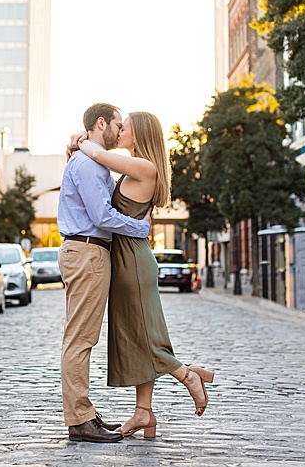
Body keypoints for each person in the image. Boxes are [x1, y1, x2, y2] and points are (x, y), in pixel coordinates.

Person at [67, 112, 213, 438]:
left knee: (145, 337)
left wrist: (82, 141)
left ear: (139, 133)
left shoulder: (144, 166)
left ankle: (189, 376)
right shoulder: (134, 166)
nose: (119, 131)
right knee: (134, 336)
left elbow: (99, 154)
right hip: (125, 261)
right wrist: (80, 141)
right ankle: (143, 412)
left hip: (132, 262)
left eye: (125, 127)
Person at [55, 103, 154, 443]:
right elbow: (102, 216)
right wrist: (140, 228)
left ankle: (84, 414)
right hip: (87, 251)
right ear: (101, 123)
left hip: (89, 252)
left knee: (82, 337)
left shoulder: (92, 160)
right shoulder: (87, 162)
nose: (119, 129)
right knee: (80, 339)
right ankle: (80, 420)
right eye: (117, 124)